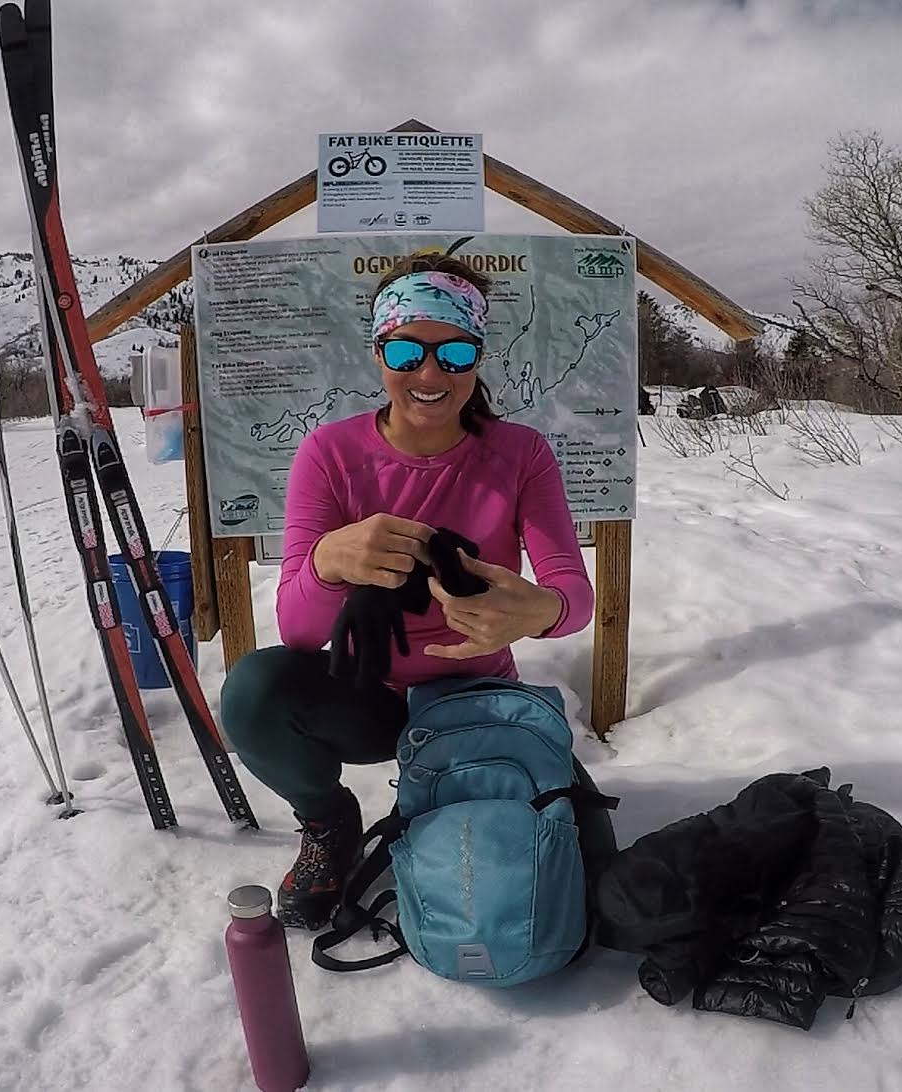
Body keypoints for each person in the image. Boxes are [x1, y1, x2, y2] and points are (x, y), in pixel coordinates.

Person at [220, 251, 612, 930]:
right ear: (378, 355)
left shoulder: (519, 455)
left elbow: (570, 591)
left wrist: (535, 611)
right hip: (364, 695)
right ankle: (327, 822)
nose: (429, 375)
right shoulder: (330, 454)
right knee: (255, 689)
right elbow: (300, 631)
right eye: (406, 350)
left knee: (557, 862)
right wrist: (327, 562)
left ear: (480, 358)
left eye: (455, 353)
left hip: (475, 698)